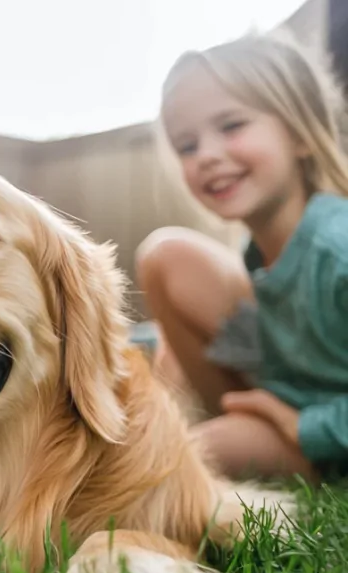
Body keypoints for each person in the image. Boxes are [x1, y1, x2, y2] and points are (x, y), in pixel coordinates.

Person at [136, 32, 348, 482]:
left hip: (324, 433)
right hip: (289, 405)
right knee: (166, 256)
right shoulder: (260, 254)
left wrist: (305, 426)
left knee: (185, 459)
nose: (208, 155)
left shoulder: (337, 247)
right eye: (187, 146)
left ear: (299, 134)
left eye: (231, 126)